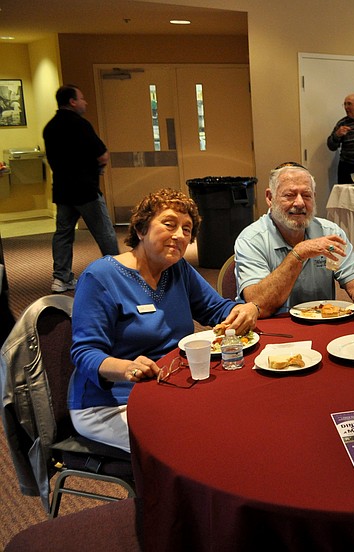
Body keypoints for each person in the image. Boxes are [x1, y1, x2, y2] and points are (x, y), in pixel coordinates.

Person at [69, 189, 259, 452]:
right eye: (169, 224)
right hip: (112, 401)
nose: (179, 235)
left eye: (187, 229)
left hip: (168, 387)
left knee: (239, 416)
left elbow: (216, 309)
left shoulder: (177, 269)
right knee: (195, 444)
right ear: (141, 229)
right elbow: (84, 353)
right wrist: (126, 368)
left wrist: (244, 309)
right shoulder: (100, 277)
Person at [235, 164, 354, 323]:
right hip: (273, 332)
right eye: (290, 195)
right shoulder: (251, 240)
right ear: (269, 197)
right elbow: (259, 304)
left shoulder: (329, 233)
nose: (299, 203)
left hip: (323, 326)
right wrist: (298, 254)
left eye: (306, 195)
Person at [43, 85, 119, 293]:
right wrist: (98, 170)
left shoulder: (49, 127)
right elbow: (102, 154)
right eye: (82, 98)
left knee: (63, 234)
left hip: (62, 189)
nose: (85, 102)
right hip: (85, 190)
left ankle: (61, 277)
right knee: (104, 233)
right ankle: (118, 274)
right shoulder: (81, 125)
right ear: (72, 101)